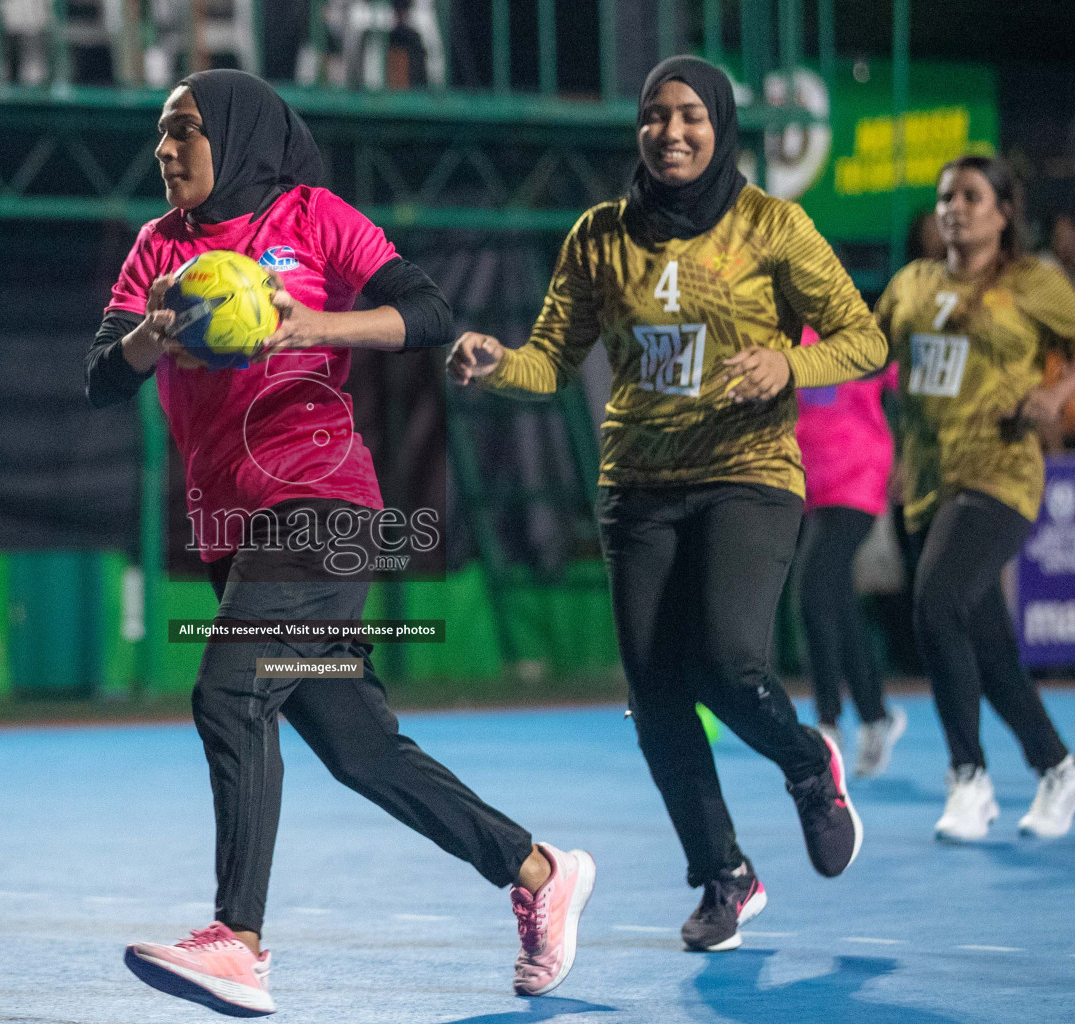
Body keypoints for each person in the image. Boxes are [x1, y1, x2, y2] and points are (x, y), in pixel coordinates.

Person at [86, 69, 594, 1016]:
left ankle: (237, 942)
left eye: (185, 131)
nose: (167, 150)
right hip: (233, 525)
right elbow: (101, 377)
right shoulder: (157, 250)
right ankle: (537, 872)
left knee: (230, 691)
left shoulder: (314, 218)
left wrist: (312, 325)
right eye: (161, 134)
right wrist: (153, 337)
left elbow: (430, 312)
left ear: (236, 136)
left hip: (323, 506)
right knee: (360, 748)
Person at [448, 56, 878, 954]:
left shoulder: (775, 226)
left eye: (689, 115)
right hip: (637, 486)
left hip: (747, 471)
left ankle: (809, 766)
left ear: (721, 126)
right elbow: (549, 360)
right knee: (655, 700)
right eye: (654, 116)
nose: (670, 132)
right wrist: (497, 365)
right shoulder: (600, 236)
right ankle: (725, 876)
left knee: (727, 661)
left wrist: (788, 363)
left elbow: (864, 338)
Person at [878, 155, 1075, 843]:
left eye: (969, 196)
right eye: (944, 197)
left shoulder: (1034, 284)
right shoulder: (911, 284)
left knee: (935, 601)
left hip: (1001, 476)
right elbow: (868, 352)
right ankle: (1057, 766)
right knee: (988, 648)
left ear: (1002, 211)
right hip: (930, 483)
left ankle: (969, 779)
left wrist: (1056, 391)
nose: (953, 207)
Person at [793, 325, 907, 775]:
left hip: (861, 480)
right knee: (837, 600)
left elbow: (914, 393)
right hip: (813, 490)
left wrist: (912, 452)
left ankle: (827, 724)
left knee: (812, 591)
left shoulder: (865, 339)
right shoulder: (790, 339)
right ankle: (877, 717)